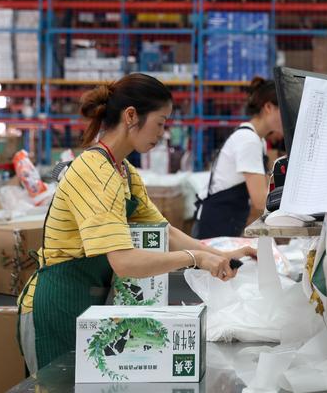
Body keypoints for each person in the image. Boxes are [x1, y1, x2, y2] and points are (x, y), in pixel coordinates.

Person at [17, 74, 255, 375]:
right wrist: (196, 259)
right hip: (55, 308)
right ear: (131, 116)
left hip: (86, 300)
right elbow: (125, 262)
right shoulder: (95, 172)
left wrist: (225, 255)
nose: (163, 132)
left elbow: (165, 232)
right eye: (160, 122)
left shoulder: (124, 172)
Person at [194, 77, 282, 238]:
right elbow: (261, 201)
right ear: (268, 107)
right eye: (284, 110)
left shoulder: (258, 139)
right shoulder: (248, 140)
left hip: (226, 222)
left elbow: (264, 189)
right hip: (215, 226)